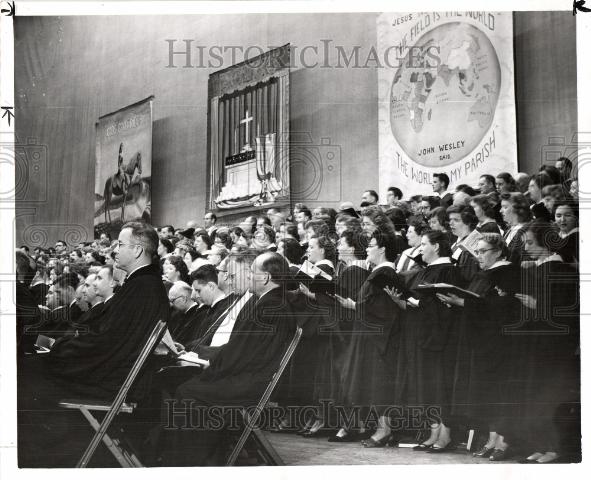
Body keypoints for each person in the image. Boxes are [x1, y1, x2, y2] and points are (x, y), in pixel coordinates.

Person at [18, 221, 170, 467]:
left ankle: (38, 453)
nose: (114, 251)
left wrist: (57, 349)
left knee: (27, 370)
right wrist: (59, 346)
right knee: (32, 357)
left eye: (120, 244)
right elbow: (103, 338)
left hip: (109, 380)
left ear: (139, 251)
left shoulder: (142, 289)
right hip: (107, 369)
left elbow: (105, 344)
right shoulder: (143, 286)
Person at [161, 252, 297, 466]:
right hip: (249, 376)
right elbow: (242, 350)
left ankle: (194, 462)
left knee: (187, 391)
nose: (249, 276)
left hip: (249, 383)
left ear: (267, 278)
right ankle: (198, 457)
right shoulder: (270, 303)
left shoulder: (269, 306)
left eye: (253, 272)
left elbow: (243, 354)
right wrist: (205, 358)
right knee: (188, 386)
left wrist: (209, 365)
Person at [436, 234, 521, 461]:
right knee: (485, 392)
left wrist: (462, 302)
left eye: (483, 251)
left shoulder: (507, 272)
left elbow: (502, 308)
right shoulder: (486, 273)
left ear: (499, 252)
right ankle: (492, 439)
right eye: (478, 251)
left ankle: (502, 441)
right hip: (478, 341)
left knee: (497, 391)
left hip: (496, 343)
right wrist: (457, 301)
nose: (479, 256)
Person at [386, 231, 463, 453]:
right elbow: (414, 305)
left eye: (424, 245)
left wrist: (418, 303)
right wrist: (398, 299)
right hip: (421, 335)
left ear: (436, 247)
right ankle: (433, 432)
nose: (420, 250)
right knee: (426, 385)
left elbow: (444, 307)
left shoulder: (448, 270)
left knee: (439, 385)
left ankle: (445, 434)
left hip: (438, 338)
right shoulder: (427, 271)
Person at [514, 220, 579, 463]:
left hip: (554, 346)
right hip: (536, 343)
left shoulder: (562, 272)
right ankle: (541, 445)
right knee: (535, 394)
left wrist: (537, 305)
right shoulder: (537, 270)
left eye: (531, 242)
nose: (527, 248)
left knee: (551, 395)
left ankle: (555, 449)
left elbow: (568, 313)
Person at [337, 229, 404, 447]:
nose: (367, 249)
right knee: (372, 383)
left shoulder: (385, 274)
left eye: (371, 245)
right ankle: (382, 429)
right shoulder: (377, 273)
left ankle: (384, 430)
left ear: (383, 249)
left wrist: (354, 305)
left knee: (379, 384)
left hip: (378, 341)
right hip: (369, 336)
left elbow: (384, 309)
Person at [500, 192, 532, 264]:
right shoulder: (510, 229)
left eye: (505, 207)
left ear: (518, 209)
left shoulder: (527, 232)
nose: (500, 211)